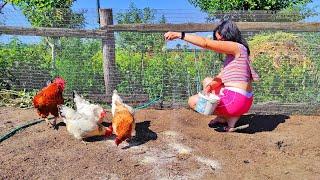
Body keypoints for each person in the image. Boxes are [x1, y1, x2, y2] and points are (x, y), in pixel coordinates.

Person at [164, 20, 259, 132]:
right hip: (244, 100)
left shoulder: (236, 47)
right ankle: (228, 119)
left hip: (235, 100)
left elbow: (205, 43)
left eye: (221, 40)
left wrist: (180, 35)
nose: (219, 43)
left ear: (230, 35)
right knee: (208, 81)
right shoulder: (239, 53)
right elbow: (221, 76)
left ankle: (228, 115)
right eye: (218, 40)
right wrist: (209, 87)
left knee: (193, 101)